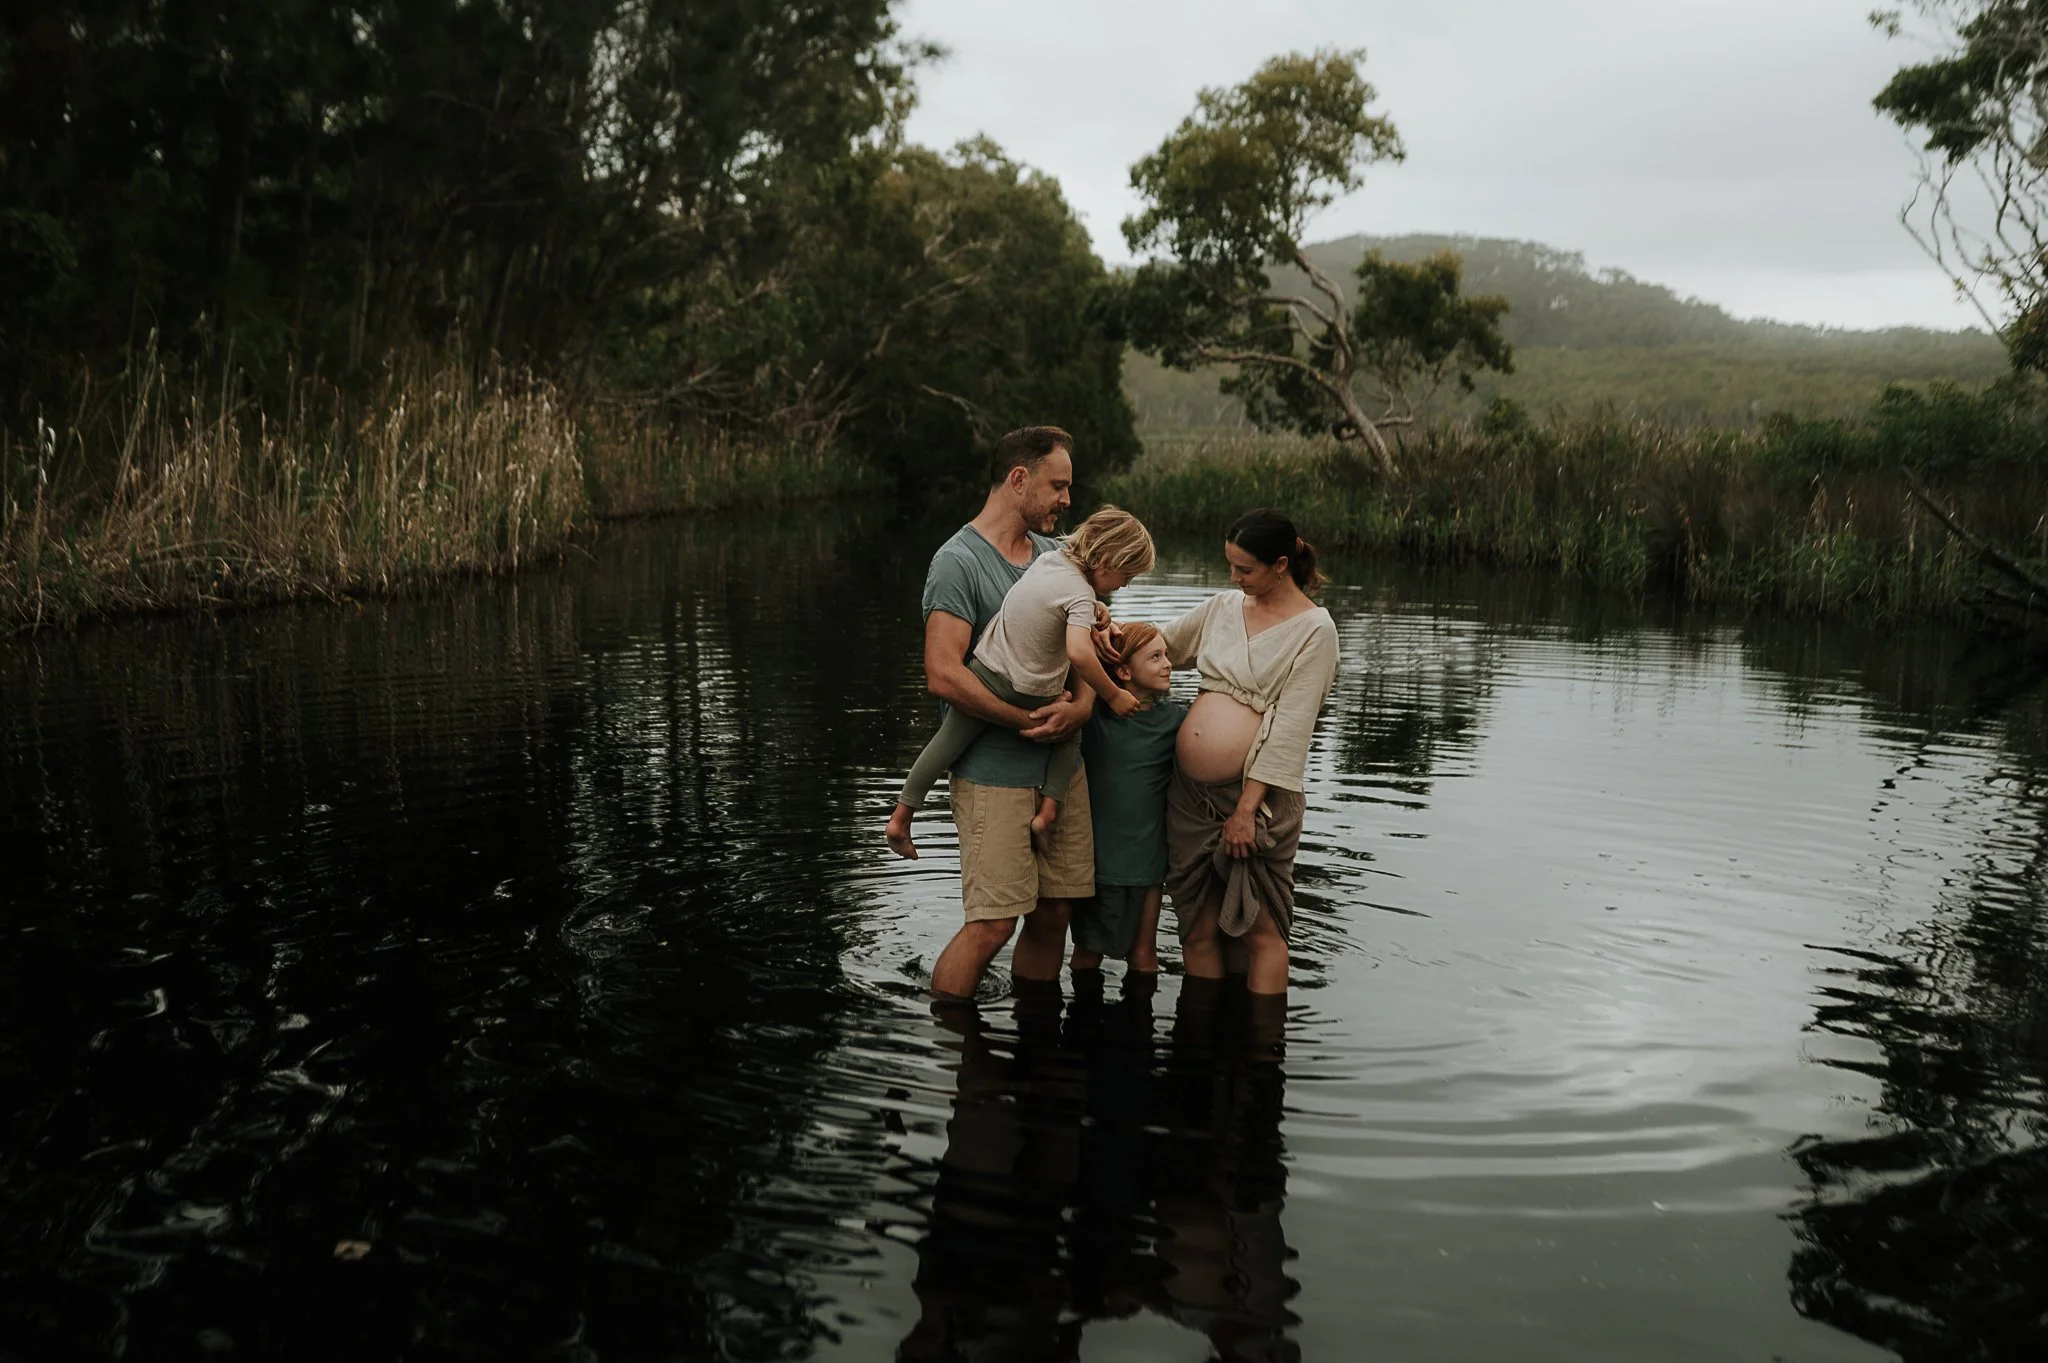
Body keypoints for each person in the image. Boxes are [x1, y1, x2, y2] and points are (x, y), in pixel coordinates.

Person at [914, 426, 1098, 1001]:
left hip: (1060, 779)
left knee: (1053, 916)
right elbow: (943, 673)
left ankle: (1034, 1046)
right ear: (1019, 479)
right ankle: (949, 1037)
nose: (1068, 500)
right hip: (991, 776)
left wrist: (1082, 707)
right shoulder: (957, 562)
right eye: (1058, 487)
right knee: (993, 925)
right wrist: (1024, 722)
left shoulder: (1058, 557)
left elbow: (1088, 656)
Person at [886, 507, 1155, 860]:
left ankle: (901, 818)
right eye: (1127, 576)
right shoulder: (1080, 594)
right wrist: (1113, 693)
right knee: (1071, 731)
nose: (1125, 585)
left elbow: (1046, 604)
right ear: (1106, 563)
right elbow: (1078, 651)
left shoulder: (1049, 561)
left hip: (987, 671)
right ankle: (1046, 815)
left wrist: (1097, 611)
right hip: (1028, 691)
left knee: (947, 741)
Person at [1157, 509, 1339, 996]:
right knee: (1196, 925)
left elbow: (1291, 731)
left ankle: (1259, 1052)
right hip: (1190, 798)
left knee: (1259, 929)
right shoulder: (1223, 607)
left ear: (1281, 564)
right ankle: (1200, 1041)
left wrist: (1244, 810)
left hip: (1253, 802)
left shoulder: (1315, 631)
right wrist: (1098, 629)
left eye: (1245, 569)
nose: (1234, 578)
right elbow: (1161, 645)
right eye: (1230, 566)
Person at [1069, 621, 1185, 975]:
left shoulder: (1176, 719)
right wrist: (1100, 630)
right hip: (1100, 863)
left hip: (1149, 861)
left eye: (1166, 655)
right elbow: (1074, 655)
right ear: (1122, 671)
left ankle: (1139, 1030)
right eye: (1154, 657)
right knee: (1088, 956)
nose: (1167, 664)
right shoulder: (1094, 717)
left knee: (1145, 957)